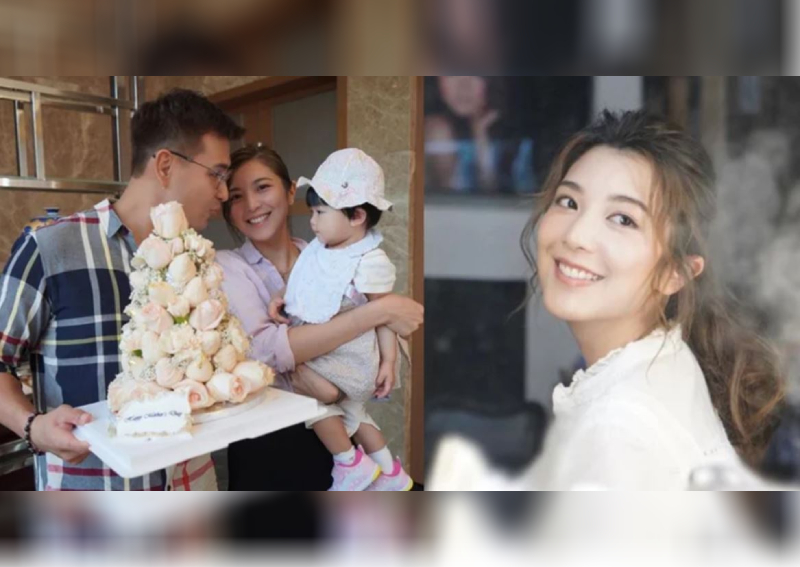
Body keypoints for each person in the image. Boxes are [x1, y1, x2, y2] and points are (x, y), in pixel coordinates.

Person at [431, 110, 786, 490]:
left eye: (623, 219)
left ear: (675, 273)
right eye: (568, 202)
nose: (576, 235)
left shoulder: (616, 429)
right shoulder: (665, 364)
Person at [0, 88, 244, 490]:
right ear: (165, 165)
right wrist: (33, 426)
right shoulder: (51, 249)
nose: (222, 193)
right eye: (216, 174)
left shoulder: (199, 258)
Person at [217, 144, 423, 490]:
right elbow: (267, 351)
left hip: (341, 438)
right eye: (236, 196)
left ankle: (387, 473)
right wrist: (379, 312)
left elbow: (382, 336)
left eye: (262, 187)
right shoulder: (226, 265)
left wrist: (378, 337)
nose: (251, 204)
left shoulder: (335, 256)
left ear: (290, 191)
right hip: (268, 446)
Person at [267, 148, 412, 491]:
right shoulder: (321, 250)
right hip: (334, 355)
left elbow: (385, 316)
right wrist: (282, 298)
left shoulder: (369, 261)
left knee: (316, 404)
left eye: (320, 212)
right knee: (356, 414)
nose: (312, 222)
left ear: (357, 215)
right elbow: (305, 283)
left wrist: (389, 362)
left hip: (349, 357)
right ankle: (389, 472)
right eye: (312, 212)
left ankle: (348, 463)